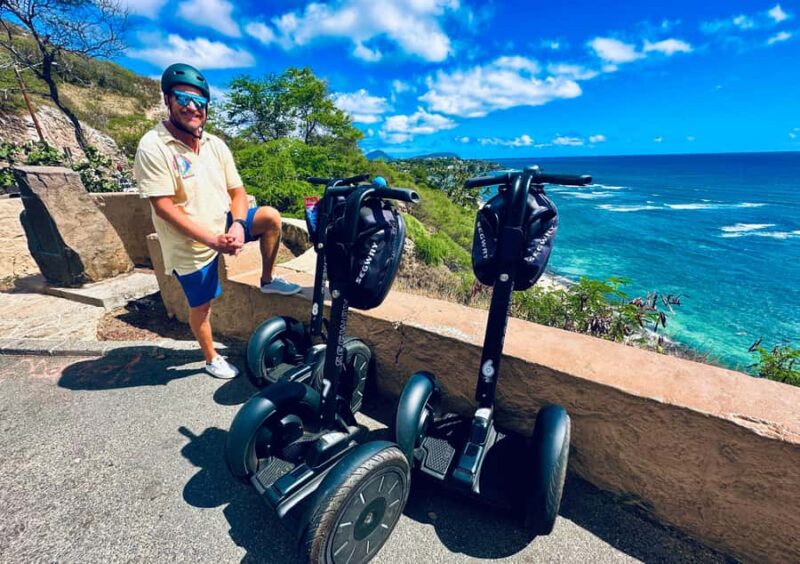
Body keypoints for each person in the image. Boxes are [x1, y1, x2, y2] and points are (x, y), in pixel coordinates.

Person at [133, 63, 301, 379]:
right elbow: (164, 207)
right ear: (168, 100)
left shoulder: (215, 144)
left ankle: (267, 279)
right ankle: (211, 358)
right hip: (188, 244)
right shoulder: (153, 146)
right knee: (203, 307)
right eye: (183, 98)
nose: (192, 107)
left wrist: (237, 225)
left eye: (200, 102)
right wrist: (212, 241)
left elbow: (238, 192)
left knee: (270, 218)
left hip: (221, 223)